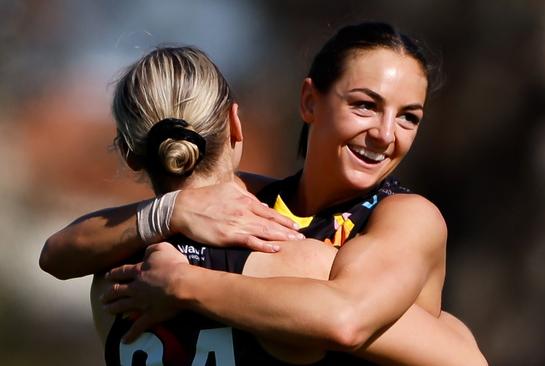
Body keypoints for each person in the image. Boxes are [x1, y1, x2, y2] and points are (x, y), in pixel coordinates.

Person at [40, 23, 486, 365]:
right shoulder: (285, 246)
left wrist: (181, 279)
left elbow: (346, 319)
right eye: (365, 105)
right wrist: (172, 211)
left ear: (130, 154)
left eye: (409, 117)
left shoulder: (117, 272)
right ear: (309, 101)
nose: (386, 134)